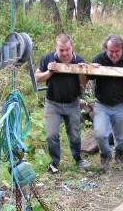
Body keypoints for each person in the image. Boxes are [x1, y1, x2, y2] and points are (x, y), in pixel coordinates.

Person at [35, 33, 89, 173]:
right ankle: (55, 162)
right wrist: (49, 72)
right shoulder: (47, 58)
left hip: (72, 103)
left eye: (67, 49)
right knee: (51, 135)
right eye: (61, 50)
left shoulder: (79, 60)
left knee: (75, 134)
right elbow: (37, 78)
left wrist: (81, 71)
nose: (64, 53)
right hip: (53, 103)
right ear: (56, 48)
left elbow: (84, 82)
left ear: (71, 48)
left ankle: (78, 158)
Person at [88, 34, 123, 171]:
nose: (114, 54)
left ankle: (119, 152)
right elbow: (88, 76)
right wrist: (91, 68)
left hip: (120, 104)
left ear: (122, 49)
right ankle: (105, 155)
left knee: (120, 136)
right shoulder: (99, 58)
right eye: (111, 51)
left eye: (117, 51)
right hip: (102, 104)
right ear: (106, 48)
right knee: (100, 134)